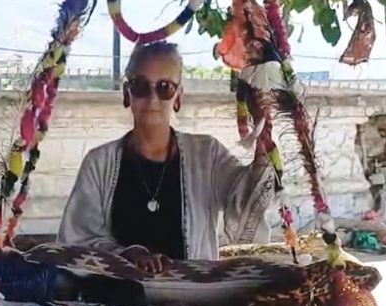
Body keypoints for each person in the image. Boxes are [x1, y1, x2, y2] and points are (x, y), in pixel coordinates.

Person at [57, 41, 276, 273]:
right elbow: (75, 243)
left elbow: (246, 205)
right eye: (141, 86)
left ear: (178, 97)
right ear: (126, 93)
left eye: (164, 87)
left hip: (193, 299)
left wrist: (263, 129)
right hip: (119, 300)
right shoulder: (98, 164)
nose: (152, 99)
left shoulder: (207, 155)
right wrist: (126, 254)